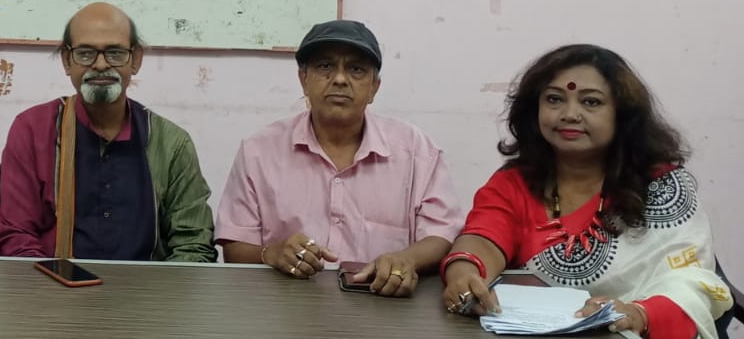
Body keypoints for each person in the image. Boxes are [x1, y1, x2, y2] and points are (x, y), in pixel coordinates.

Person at [442, 44, 730, 339]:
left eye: (591, 102)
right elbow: (483, 239)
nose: (570, 114)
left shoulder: (662, 187)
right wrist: (466, 272)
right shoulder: (515, 183)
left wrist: (637, 314)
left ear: (622, 114)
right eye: (554, 99)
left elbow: (691, 281)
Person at [217, 20, 461, 296]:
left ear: (374, 88)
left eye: (356, 69)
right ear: (303, 80)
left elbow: (442, 234)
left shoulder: (417, 151)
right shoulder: (258, 152)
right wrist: (270, 254)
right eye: (325, 66)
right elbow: (234, 247)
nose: (340, 79)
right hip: (285, 305)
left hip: (385, 303)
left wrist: (406, 259)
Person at [0, 2, 216, 261]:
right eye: (85, 53)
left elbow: (193, 245)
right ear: (66, 60)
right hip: (52, 283)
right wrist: (51, 283)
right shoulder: (32, 130)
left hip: (149, 285)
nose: (100, 64)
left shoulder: (172, 144)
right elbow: (15, 236)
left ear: (136, 59)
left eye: (115, 53)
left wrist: (157, 288)